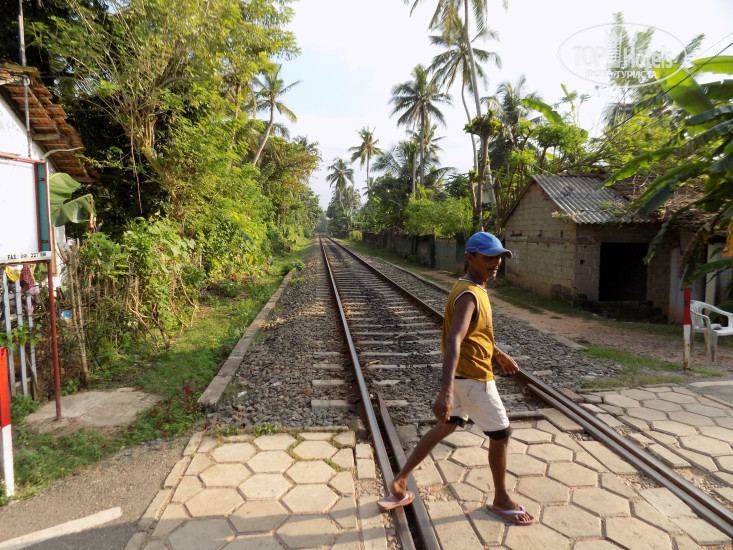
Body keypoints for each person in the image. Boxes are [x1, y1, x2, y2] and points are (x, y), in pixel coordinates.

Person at [377, 231, 535, 526]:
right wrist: (446, 391)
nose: (496, 262)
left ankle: (400, 481)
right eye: (488, 257)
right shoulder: (469, 296)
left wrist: (497, 353)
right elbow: (455, 340)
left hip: (467, 377)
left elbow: (476, 334)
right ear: (470, 257)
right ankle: (501, 499)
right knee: (501, 435)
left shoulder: (473, 288)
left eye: (499, 257)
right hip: (474, 379)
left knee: (445, 427)